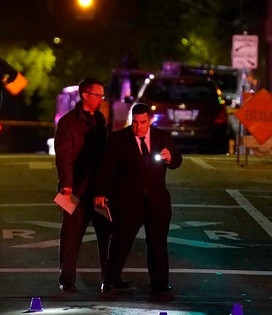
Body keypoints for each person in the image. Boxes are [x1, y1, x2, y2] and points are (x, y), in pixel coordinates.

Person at [94, 103, 182, 294]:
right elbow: (106, 168)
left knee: (158, 244)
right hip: (127, 201)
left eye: (142, 122)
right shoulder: (118, 139)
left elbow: (177, 159)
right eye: (135, 122)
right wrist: (100, 193)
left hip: (156, 201)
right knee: (120, 242)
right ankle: (110, 280)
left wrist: (170, 158)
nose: (138, 126)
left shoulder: (162, 137)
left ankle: (160, 283)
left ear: (149, 120)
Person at [54, 78, 113, 292]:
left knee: (106, 234)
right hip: (76, 189)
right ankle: (67, 278)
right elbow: (64, 156)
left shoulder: (99, 119)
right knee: (71, 235)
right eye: (98, 95)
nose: (101, 99)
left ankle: (109, 277)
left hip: (98, 189)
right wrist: (66, 184)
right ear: (85, 95)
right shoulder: (68, 122)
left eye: (102, 95)